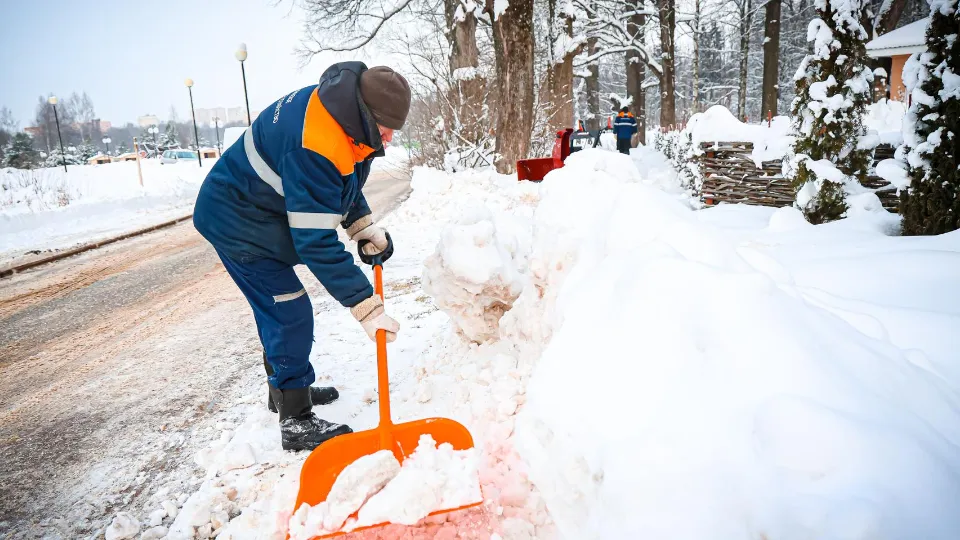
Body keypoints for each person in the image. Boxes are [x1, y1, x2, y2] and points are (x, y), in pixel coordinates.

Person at [192, 62, 411, 451]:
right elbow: (315, 241)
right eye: (384, 127)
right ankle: (294, 418)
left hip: (260, 212)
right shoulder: (315, 142)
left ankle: (284, 391)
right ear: (364, 113)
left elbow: (338, 179)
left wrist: (362, 227)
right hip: (236, 220)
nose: (389, 138)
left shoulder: (343, 116)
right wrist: (366, 307)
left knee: (281, 309)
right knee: (287, 309)